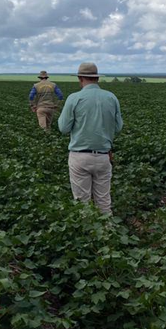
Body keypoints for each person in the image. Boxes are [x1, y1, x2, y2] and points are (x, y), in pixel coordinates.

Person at [58, 62, 123, 215]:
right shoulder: (111, 97)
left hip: (79, 156)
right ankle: (107, 233)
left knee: (82, 203)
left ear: (80, 78)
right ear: (97, 78)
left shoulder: (74, 98)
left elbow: (63, 128)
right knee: (104, 201)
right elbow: (118, 127)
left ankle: (87, 235)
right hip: (103, 156)